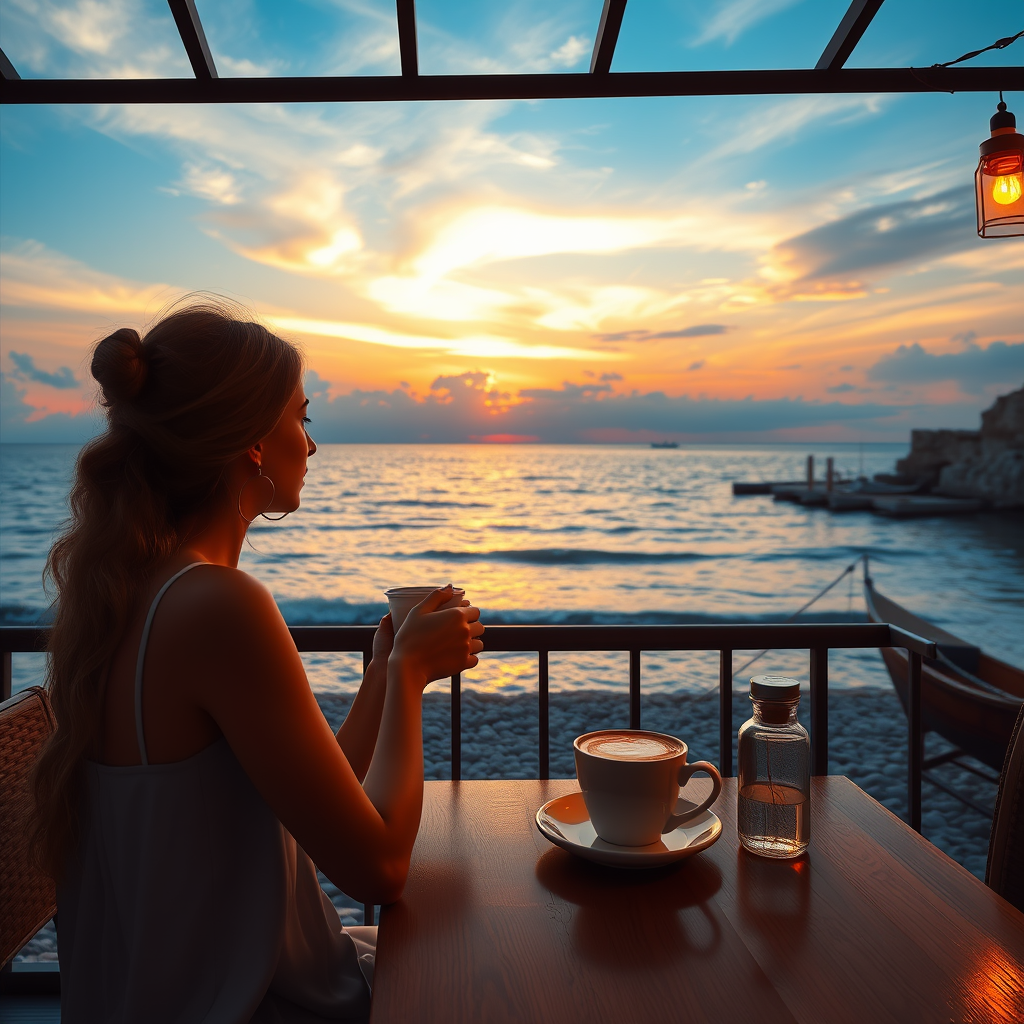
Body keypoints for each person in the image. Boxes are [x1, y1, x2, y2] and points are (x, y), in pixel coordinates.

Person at [31, 300, 484, 1022]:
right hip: (248, 1004)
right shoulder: (219, 605)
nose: (310, 444)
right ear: (250, 441)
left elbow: (308, 799)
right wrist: (408, 678)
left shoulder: (138, 596)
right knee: (492, 959)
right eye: (302, 418)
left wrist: (379, 674)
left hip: (153, 997)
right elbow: (380, 866)